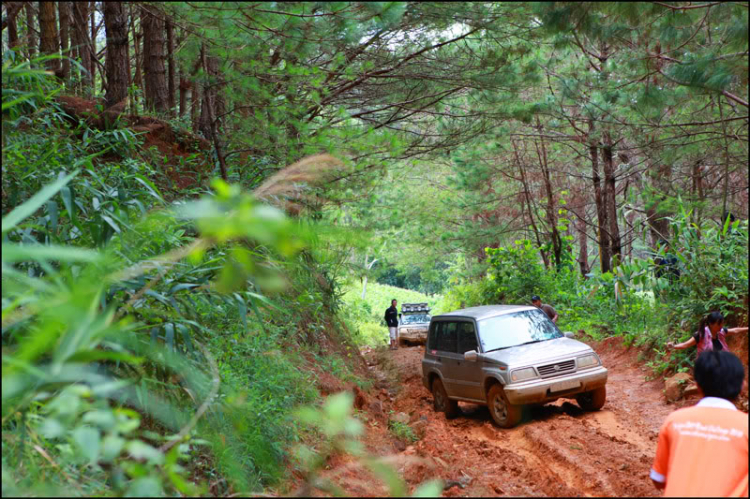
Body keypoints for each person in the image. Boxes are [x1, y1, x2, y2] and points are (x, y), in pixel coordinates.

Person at [650, 350, 748, 496]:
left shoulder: (675, 421)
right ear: (742, 386)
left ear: (697, 386)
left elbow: (658, 479)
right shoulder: (745, 426)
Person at [666, 311, 748, 356]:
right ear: (711, 324)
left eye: (722, 323)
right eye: (719, 324)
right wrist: (673, 346)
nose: (721, 326)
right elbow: (685, 345)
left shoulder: (720, 333)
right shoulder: (701, 335)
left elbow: (735, 330)